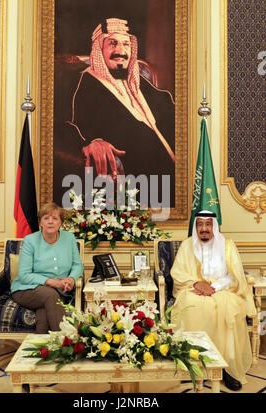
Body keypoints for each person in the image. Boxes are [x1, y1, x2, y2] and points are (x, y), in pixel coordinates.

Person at [65, 17, 175, 207]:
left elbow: (171, 111)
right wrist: (92, 142)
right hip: (139, 182)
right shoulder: (86, 84)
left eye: (126, 44)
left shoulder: (139, 83)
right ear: (99, 49)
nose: (121, 52)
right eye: (113, 43)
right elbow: (72, 124)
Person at [170, 210, 256, 391]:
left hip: (223, 291)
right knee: (191, 306)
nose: (204, 229)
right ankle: (192, 364)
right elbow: (177, 273)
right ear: (196, 227)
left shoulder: (227, 245)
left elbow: (234, 276)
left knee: (230, 310)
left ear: (214, 226)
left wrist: (214, 288)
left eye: (208, 224)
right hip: (193, 290)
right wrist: (196, 283)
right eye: (200, 224)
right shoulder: (187, 246)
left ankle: (227, 369)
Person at [11, 202, 84, 334]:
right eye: (46, 218)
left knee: (44, 311)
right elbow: (24, 275)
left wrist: (71, 279)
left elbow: (77, 265)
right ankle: (65, 342)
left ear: (60, 222)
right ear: (40, 223)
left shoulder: (69, 238)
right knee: (50, 295)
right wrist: (53, 283)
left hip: (57, 292)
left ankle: (43, 351)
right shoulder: (30, 241)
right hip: (26, 290)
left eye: (55, 218)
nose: (50, 222)